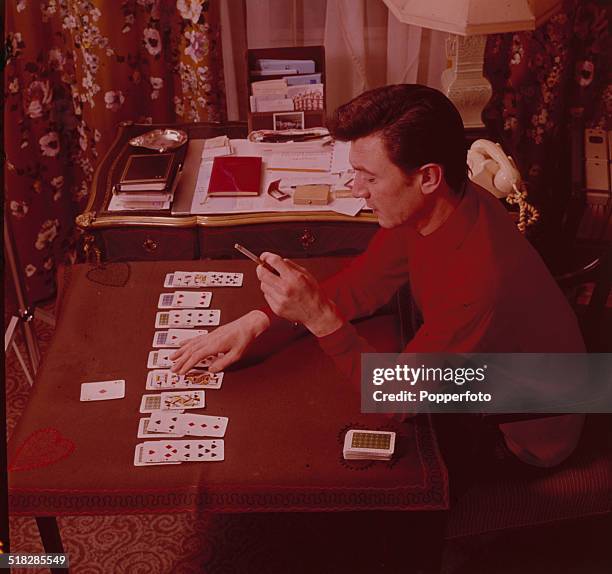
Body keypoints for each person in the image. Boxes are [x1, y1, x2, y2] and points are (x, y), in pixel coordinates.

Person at [171, 84, 585, 468]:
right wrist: (257, 321)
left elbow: (395, 398)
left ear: (427, 177)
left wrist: (318, 316)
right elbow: (363, 286)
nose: (356, 189)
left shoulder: (479, 282)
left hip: (522, 431)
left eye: (369, 176)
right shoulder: (440, 206)